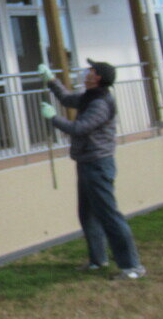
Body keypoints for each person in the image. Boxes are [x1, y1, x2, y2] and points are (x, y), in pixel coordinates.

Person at [38, 59, 146, 280]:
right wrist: (51, 79)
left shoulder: (100, 103)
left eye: (91, 70)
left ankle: (132, 267)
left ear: (97, 77)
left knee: (109, 215)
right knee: (87, 214)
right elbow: (67, 99)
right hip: (87, 162)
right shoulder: (90, 97)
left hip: (98, 165)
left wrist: (53, 118)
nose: (86, 72)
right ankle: (98, 260)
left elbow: (79, 128)